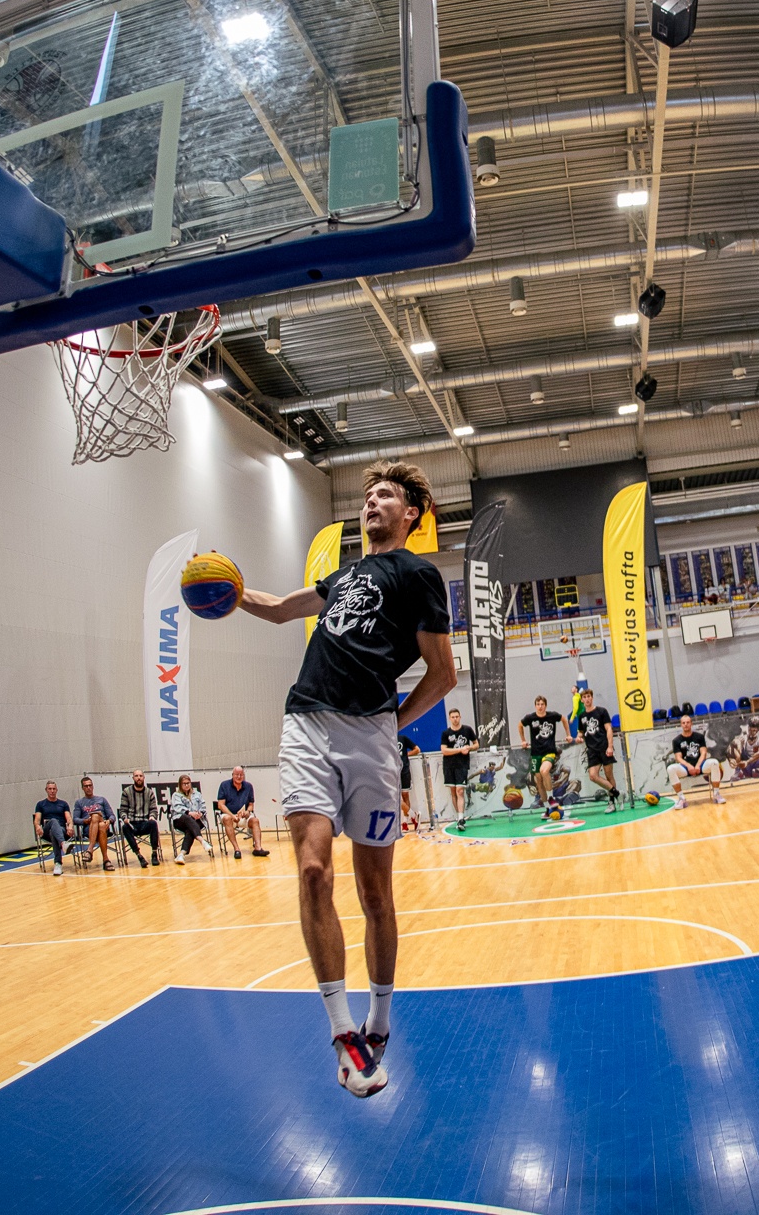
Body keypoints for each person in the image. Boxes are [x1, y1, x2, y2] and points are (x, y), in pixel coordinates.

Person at [236, 460, 457, 1099]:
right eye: (367, 495)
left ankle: (379, 1020)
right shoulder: (341, 576)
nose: (371, 502)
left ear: (411, 513)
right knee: (313, 872)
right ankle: (343, 1033)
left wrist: (393, 723)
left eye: (384, 495)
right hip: (307, 723)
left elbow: (443, 673)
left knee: (375, 894)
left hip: (371, 738)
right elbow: (281, 609)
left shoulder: (418, 574)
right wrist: (231, 590)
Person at [570, 685, 620, 807]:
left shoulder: (602, 711)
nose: (587, 699)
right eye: (585, 697)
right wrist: (578, 738)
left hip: (604, 747)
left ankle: (612, 802)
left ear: (592, 698)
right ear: (582, 700)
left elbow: (609, 729)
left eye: (589, 696)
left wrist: (610, 746)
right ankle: (617, 793)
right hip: (592, 750)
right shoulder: (582, 716)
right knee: (593, 776)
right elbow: (581, 733)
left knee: (609, 775)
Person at [667, 714, 723, 808]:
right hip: (685, 768)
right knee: (670, 769)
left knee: (714, 763)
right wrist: (689, 766)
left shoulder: (699, 737)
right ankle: (681, 799)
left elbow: (703, 753)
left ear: (691, 723)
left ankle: (716, 794)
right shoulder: (676, 740)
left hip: (700, 765)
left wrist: (697, 766)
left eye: (688, 722)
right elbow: (678, 758)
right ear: (681, 725)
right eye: (683, 723)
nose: (686, 724)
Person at [519, 694, 565, 808]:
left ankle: (551, 798)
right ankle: (547, 806)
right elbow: (520, 725)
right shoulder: (530, 718)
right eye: (538, 704)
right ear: (535, 706)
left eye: (542, 704)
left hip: (549, 751)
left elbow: (564, 719)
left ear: (545, 705)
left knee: (544, 771)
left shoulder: (552, 716)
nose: (540, 706)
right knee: (538, 780)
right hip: (535, 753)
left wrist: (568, 734)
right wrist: (523, 740)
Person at [216, 766, 267, 859]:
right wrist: (232, 816)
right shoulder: (224, 785)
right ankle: (237, 849)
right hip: (229, 816)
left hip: (243, 817)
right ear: (232, 775)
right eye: (237, 775)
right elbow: (220, 805)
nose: (239, 777)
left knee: (255, 821)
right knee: (227, 818)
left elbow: (251, 804)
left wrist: (248, 811)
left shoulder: (248, 786)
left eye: (241, 775)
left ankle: (258, 848)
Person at [439, 707, 477, 829]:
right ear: (450, 718)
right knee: (453, 792)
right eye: (453, 717)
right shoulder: (446, 733)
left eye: (457, 717)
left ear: (460, 717)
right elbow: (444, 750)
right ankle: (459, 816)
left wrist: (469, 748)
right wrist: (460, 749)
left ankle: (461, 819)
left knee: (460, 790)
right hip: (449, 765)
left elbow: (476, 744)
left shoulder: (467, 730)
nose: (455, 719)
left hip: (462, 764)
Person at [118, 770, 164, 868]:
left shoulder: (149, 792)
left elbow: (154, 809)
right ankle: (139, 855)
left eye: (140, 776)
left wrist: (152, 816)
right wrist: (125, 818)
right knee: (124, 827)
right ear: (133, 778)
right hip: (132, 823)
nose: (138, 778)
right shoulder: (126, 792)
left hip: (145, 822)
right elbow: (122, 810)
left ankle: (154, 853)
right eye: (136, 776)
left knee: (153, 823)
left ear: (144, 777)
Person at [72, 777, 115, 872]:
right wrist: (85, 821)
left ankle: (90, 850)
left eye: (90, 785)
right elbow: (75, 819)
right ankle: (106, 860)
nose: (88, 788)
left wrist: (109, 821)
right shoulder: (79, 802)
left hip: (104, 825)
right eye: (86, 786)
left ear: (93, 786)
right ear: (82, 788)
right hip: (89, 829)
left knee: (96, 816)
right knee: (99, 823)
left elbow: (112, 815)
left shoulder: (101, 799)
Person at [169, 775, 212, 864]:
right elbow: (178, 808)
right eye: (184, 784)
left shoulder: (197, 794)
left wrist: (200, 813)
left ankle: (181, 854)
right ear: (180, 785)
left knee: (190, 830)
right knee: (187, 818)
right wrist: (190, 813)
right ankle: (202, 840)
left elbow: (203, 806)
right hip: (181, 820)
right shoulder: (176, 795)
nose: (186, 785)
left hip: (197, 820)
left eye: (188, 783)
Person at [33, 780, 72, 876]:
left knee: (53, 832)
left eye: (54, 789)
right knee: (53, 821)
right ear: (46, 790)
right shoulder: (41, 804)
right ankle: (63, 844)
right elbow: (37, 820)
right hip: (46, 830)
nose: (52, 791)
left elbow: (69, 818)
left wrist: (70, 826)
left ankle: (58, 864)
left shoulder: (63, 804)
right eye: (50, 789)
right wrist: (37, 826)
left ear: (57, 790)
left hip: (61, 830)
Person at [397, 729, 420, 832]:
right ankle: (413, 815)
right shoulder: (385, 740)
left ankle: (405, 822)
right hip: (392, 773)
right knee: (396, 798)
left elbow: (417, 749)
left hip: (404, 771)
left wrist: (406, 755)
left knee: (405, 796)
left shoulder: (402, 738)